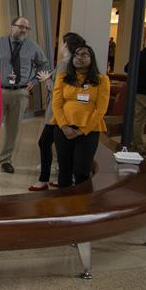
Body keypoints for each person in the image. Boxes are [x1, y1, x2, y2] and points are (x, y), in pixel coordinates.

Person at [0, 16, 49, 173]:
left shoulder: (32, 47)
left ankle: (5, 160)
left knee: (13, 129)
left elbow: (44, 65)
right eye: (21, 26)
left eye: (26, 28)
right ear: (12, 26)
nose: (24, 30)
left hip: (20, 93)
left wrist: (35, 81)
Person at [30, 32, 85, 191]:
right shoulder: (74, 63)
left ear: (66, 45)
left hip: (56, 112)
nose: (60, 46)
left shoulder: (64, 64)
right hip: (66, 111)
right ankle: (64, 178)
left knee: (45, 143)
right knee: (61, 146)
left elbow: (57, 90)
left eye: (62, 43)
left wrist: (47, 80)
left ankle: (43, 179)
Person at [52, 44, 110, 187]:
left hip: (88, 131)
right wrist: (64, 126)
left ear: (91, 59)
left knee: (82, 171)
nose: (79, 58)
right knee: (64, 169)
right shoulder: (63, 78)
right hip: (63, 128)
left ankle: (82, 200)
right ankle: (64, 199)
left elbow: (101, 109)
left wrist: (83, 130)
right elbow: (56, 105)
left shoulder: (102, 80)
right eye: (76, 55)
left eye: (84, 55)